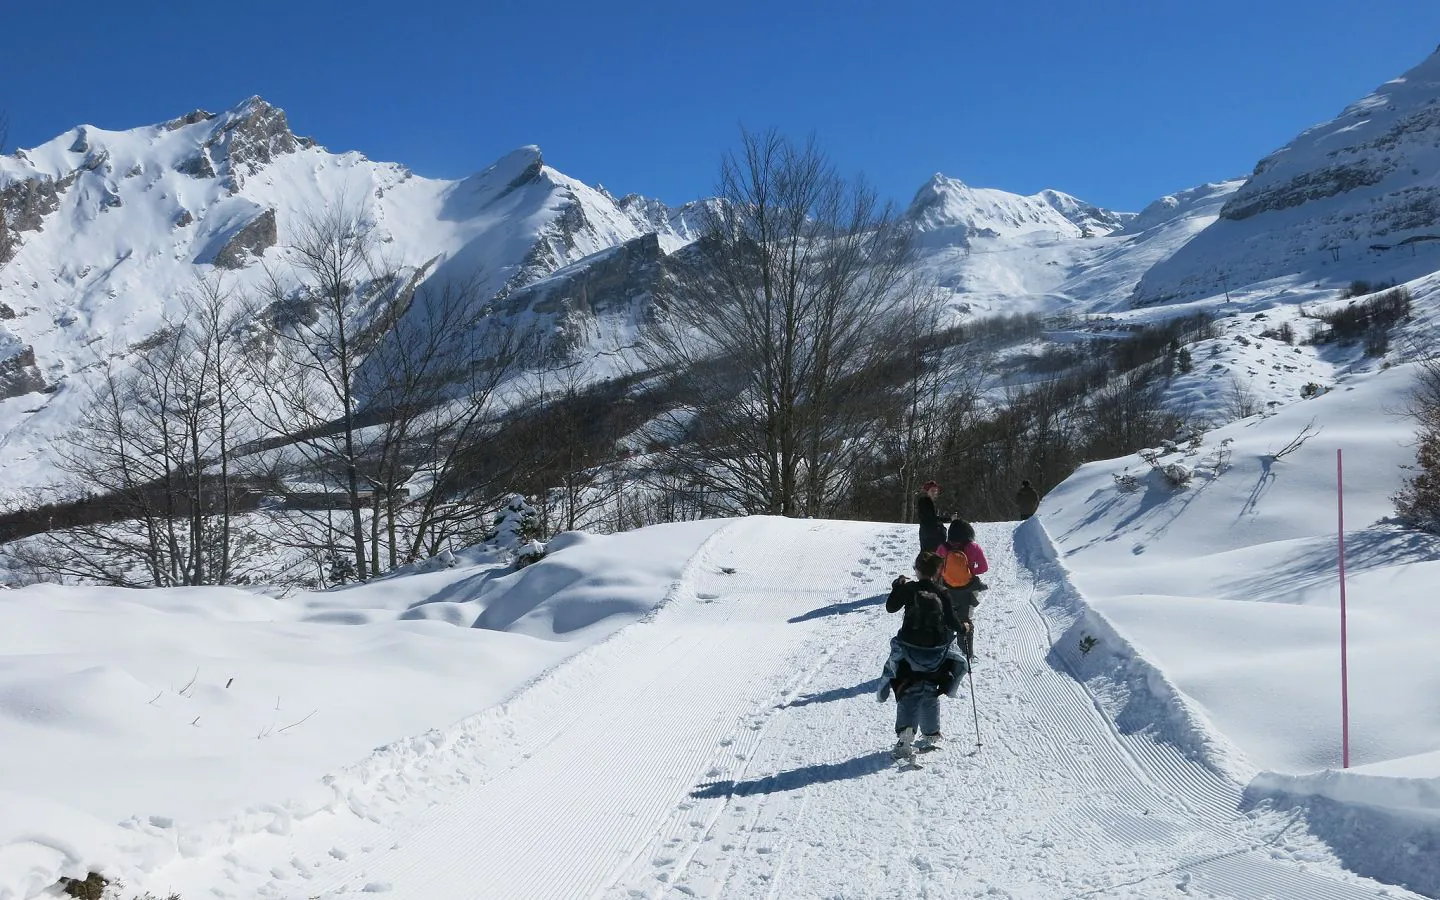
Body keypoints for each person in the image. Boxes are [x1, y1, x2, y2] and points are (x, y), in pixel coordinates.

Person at [877, 551, 969, 760]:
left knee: (908, 690)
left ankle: (906, 733)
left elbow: (891, 608)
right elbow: (953, 623)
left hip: (908, 651)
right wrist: (964, 627)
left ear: (916, 570)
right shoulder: (942, 592)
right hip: (936, 655)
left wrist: (897, 587)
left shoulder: (909, 589)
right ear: (938, 571)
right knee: (930, 689)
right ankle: (931, 733)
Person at [936, 519, 989, 659]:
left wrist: (947, 574)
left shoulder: (943, 547)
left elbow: (936, 568)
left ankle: (944, 651)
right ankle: (966, 654)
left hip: (947, 588)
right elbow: (984, 567)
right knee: (965, 620)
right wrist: (969, 572)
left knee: (946, 617)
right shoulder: (974, 547)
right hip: (968, 589)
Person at [916, 480, 947, 553]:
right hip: (929, 537)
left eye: (936, 490)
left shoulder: (929, 502)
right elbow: (931, 519)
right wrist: (948, 519)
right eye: (932, 490)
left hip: (931, 535)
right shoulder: (925, 501)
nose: (935, 492)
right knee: (930, 558)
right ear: (927, 491)